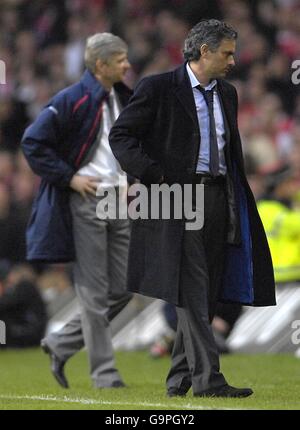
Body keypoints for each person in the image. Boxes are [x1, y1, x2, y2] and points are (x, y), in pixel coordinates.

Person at [109, 19, 275, 398]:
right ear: (204, 52)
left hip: (220, 197)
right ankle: (209, 381)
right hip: (177, 199)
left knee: (209, 289)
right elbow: (121, 135)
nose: (233, 60)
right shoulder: (159, 87)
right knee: (195, 288)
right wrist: (153, 176)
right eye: (226, 53)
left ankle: (179, 378)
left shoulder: (228, 93)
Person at [21, 33, 133, 389]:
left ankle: (61, 342)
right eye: (120, 60)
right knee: (94, 291)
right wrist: (69, 178)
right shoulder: (70, 99)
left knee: (126, 285)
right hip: (87, 201)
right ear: (100, 65)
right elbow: (32, 142)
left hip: (118, 199)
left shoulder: (124, 97)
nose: (127, 65)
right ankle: (105, 374)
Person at [0, 261, 47, 348]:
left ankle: (2, 345)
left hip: (30, 331)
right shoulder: (27, 288)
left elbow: (8, 303)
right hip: (31, 329)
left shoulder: (25, 286)